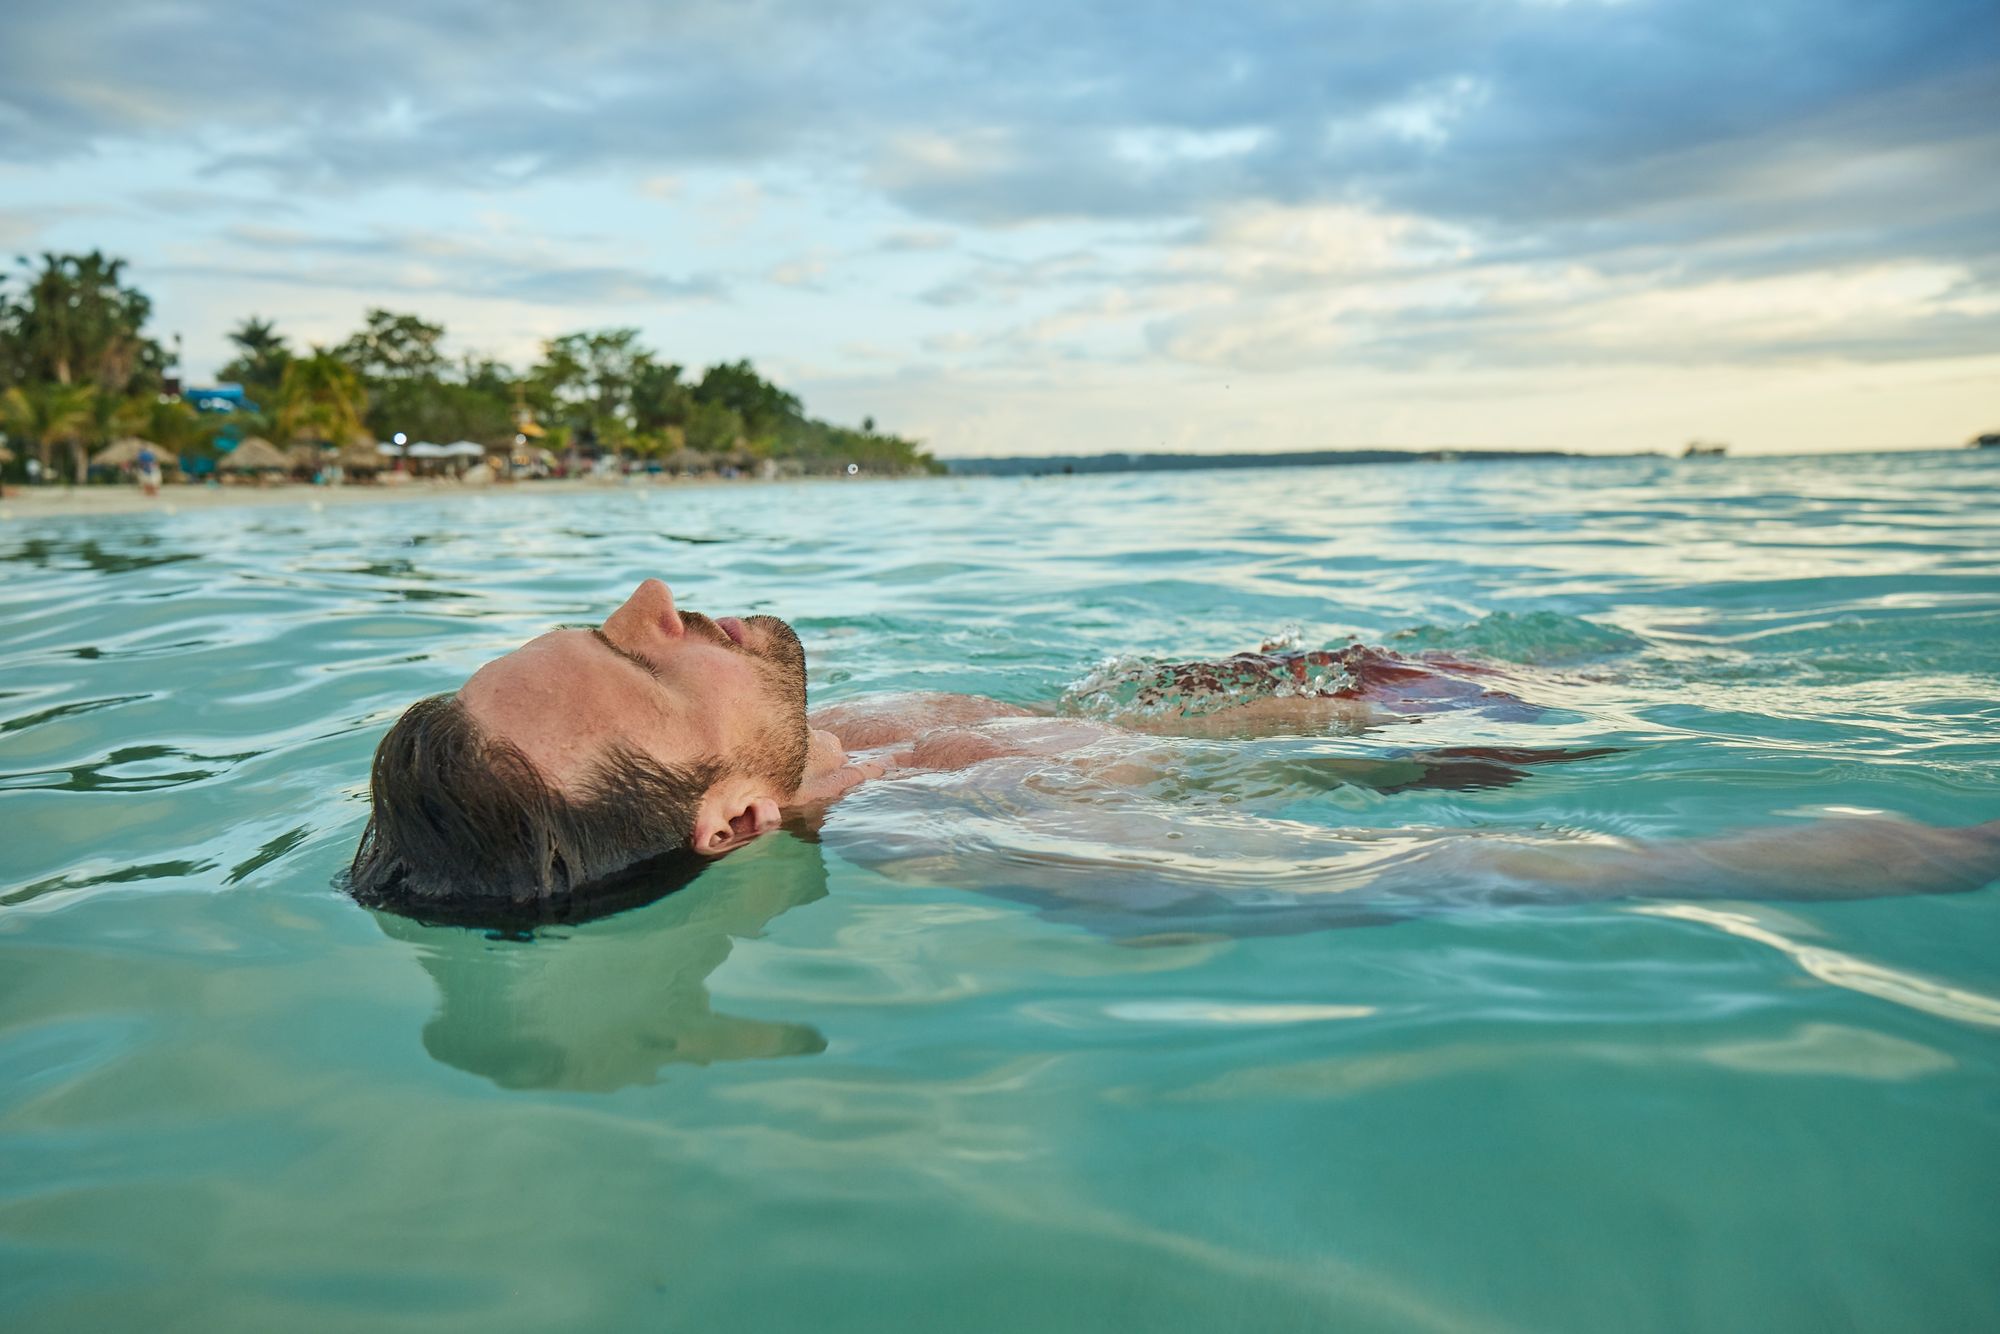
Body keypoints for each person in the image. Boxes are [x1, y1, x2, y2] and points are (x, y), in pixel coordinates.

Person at [348, 578, 2000, 930]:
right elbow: (1447, 876)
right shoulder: (961, 835)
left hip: (1367, 684)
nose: (651, 597)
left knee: (1661, 641)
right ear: (733, 822)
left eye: (600, 619)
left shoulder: (820, 743)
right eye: (635, 658)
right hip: (1444, 757)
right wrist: (1915, 851)